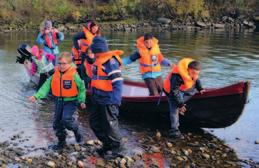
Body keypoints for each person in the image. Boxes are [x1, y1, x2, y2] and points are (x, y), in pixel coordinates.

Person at [29, 52, 86, 150]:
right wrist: (36, 96)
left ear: (69, 64)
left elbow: (81, 88)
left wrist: (81, 100)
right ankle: (61, 142)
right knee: (56, 123)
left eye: (64, 64)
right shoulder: (55, 74)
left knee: (66, 119)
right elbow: (46, 86)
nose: (62, 66)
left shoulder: (74, 75)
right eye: (60, 63)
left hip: (71, 101)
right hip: (59, 101)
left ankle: (77, 130)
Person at [88, 36, 124, 157]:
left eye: (93, 50)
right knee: (94, 122)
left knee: (110, 124)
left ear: (98, 50)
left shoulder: (110, 62)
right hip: (97, 98)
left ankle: (118, 148)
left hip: (108, 99)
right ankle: (107, 144)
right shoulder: (98, 60)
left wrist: (116, 100)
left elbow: (118, 82)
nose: (92, 52)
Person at [163, 58, 205, 139]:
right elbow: (174, 92)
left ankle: (181, 103)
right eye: (193, 73)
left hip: (183, 89)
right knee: (174, 108)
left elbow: (196, 80)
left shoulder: (193, 73)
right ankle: (174, 130)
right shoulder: (177, 76)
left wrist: (200, 88)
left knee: (194, 91)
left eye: (197, 73)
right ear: (188, 69)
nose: (195, 75)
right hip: (170, 91)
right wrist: (180, 104)